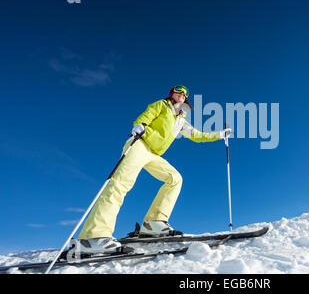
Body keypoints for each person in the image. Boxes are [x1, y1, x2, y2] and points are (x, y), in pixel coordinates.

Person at [74, 85, 232, 254]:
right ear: (172, 94)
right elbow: (147, 115)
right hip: (140, 144)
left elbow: (198, 136)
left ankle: (153, 224)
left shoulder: (180, 121)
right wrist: (139, 125)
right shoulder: (161, 106)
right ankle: (93, 237)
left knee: (175, 178)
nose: (183, 95)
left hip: (153, 154)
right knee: (121, 183)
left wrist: (220, 134)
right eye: (179, 91)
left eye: (185, 94)